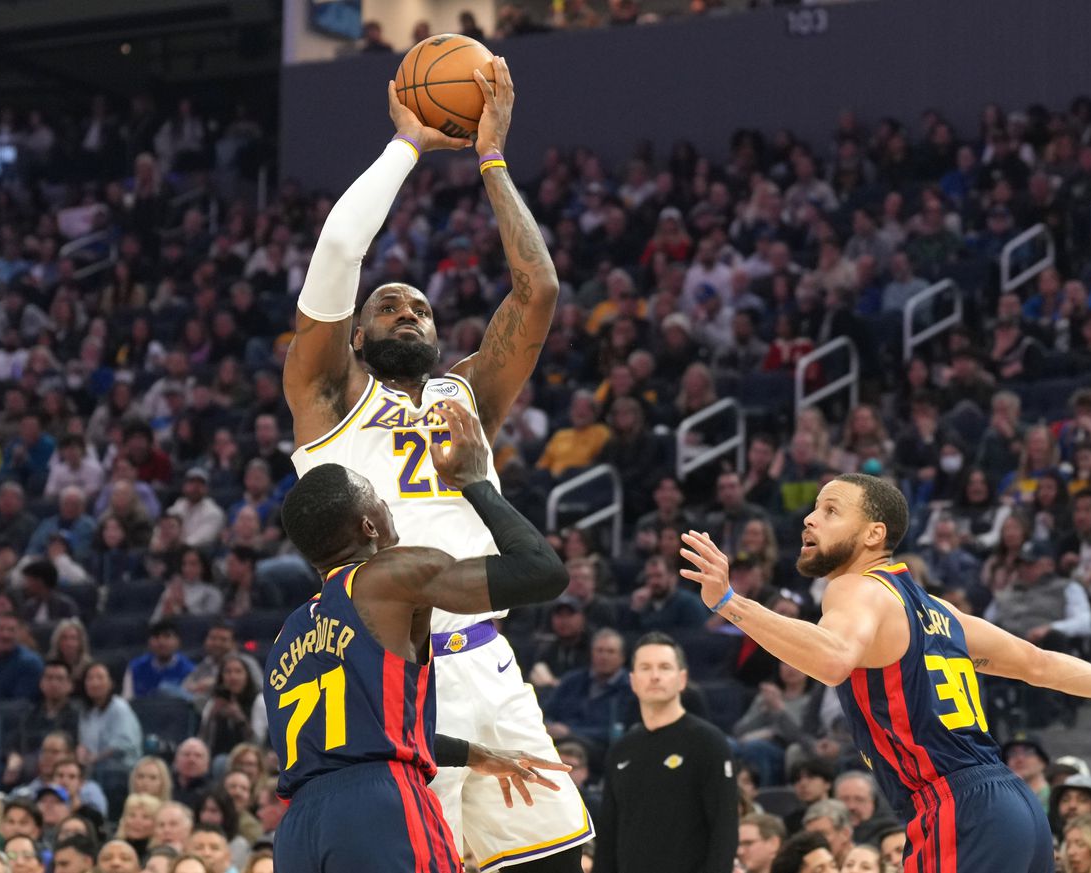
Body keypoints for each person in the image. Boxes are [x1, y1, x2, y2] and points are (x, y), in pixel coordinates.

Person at [281, 61, 589, 871]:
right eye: (390, 304)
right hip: (398, 679)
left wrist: (492, 161)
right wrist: (407, 145)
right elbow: (342, 246)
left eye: (421, 306)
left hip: (489, 658)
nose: (410, 312)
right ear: (356, 333)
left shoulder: (466, 393)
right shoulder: (324, 396)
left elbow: (540, 290)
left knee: (560, 861)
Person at [678, 473, 1091, 871]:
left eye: (830, 510)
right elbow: (1037, 664)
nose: (809, 519)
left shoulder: (855, 588)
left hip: (956, 807)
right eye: (813, 509)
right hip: (1015, 805)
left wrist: (729, 602)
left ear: (872, 534)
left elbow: (833, 659)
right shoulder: (939, 612)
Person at [265, 400, 573, 871]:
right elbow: (543, 573)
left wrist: (473, 753)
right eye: (379, 501)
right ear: (369, 525)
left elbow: (362, 732)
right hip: (379, 805)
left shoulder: (290, 632)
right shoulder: (391, 576)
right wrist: (475, 481)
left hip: (300, 828)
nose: (390, 509)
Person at [594, 633, 738, 873]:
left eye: (665, 667)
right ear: (632, 680)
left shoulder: (708, 742)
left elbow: (724, 830)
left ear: (682, 679)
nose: (655, 676)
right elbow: (609, 834)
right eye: (645, 667)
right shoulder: (621, 750)